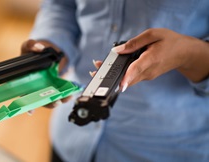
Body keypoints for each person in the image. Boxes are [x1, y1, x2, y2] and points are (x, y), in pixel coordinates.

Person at [21, 1, 209, 161]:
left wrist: (187, 55)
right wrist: (49, 53)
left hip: (163, 149)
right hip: (71, 141)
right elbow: (62, 5)